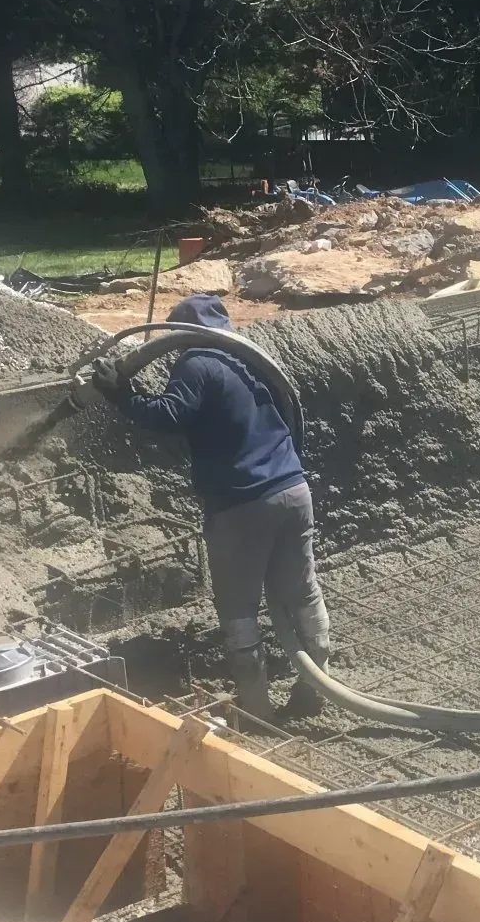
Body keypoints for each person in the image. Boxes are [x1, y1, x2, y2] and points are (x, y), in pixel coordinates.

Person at [93, 293, 330, 722]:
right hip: (294, 490)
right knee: (302, 591)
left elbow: (170, 415)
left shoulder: (196, 362)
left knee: (239, 609)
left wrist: (120, 395)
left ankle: (257, 710)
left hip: (242, 504)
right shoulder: (250, 358)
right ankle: (317, 687)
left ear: (182, 335)